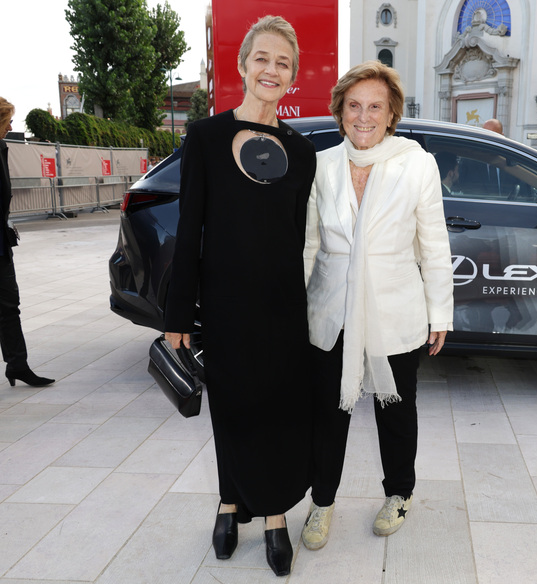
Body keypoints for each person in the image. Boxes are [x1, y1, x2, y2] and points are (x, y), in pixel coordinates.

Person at [163, 15, 315, 577]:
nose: (271, 70)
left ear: (292, 76)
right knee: (232, 407)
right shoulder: (205, 137)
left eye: (283, 63)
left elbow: (307, 238)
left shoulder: (301, 153)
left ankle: (273, 515)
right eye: (262, 59)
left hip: (282, 305)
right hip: (224, 303)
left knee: (277, 408)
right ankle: (230, 502)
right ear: (242, 66)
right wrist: (179, 312)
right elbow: (190, 228)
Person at [301, 61, 453, 550]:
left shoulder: (416, 162)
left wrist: (440, 313)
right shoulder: (320, 164)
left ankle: (399, 493)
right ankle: (322, 502)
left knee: (396, 406)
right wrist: (297, 308)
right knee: (328, 411)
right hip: (332, 306)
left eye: (375, 107)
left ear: (391, 115)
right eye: (354, 106)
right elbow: (307, 244)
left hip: (395, 306)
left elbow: (433, 244)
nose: (364, 116)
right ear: (340, 112)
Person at [0, 97, 54, 388]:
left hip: (1, 243)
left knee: (9, 305)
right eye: (7, 120)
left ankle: (17, 366)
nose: (11, 125)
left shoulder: (1, 148)